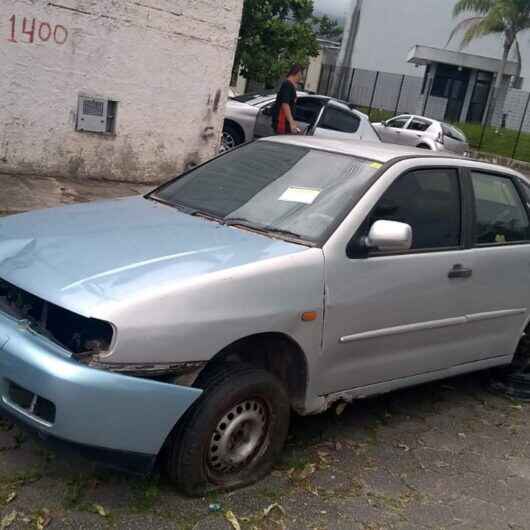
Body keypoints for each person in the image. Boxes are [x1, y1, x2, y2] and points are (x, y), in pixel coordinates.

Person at [272, 64, 303, 135]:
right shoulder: (287, 85)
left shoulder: (289, 85)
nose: (301, 77)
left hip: (284, 122)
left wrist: (292, 122)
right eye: (301, 74)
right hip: (281, 122)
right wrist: (291, 122)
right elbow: (285, 104)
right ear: (298, 73)